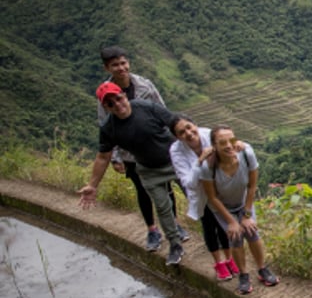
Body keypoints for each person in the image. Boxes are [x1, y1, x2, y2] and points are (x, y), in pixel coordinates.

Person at [79, 82, 186, 266]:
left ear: (124, 95)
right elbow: (103, 157)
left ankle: (223, 233)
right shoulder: (109, 128)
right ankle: (175, 244)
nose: (118, 105)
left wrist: (201, 148)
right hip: (148, 169)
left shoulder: (148, 108)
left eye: (119, 98)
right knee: (162, 207)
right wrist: (92, 185)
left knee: (198, 196)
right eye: (111, 104)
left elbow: (176, 124)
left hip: (175, 162)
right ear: (105, 107)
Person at [96, 46, 182, 250]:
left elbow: (162, 111)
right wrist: (116, 157)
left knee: (167, 188)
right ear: (107, 68)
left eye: (123, 63)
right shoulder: (104, 96)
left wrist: (171, 142)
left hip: (156, 146)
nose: (121, 68)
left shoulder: (144, 85)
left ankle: (176, 226)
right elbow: (105, 126)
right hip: (129, 151)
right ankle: (152, 230)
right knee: (142, 190)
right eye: (115, 65)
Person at [199, 125, 279, 295]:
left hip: (244, 202)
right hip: (222, 207)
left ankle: (262, 269)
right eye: (222, 142)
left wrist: (247, 215)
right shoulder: (208, 167)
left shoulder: (246, 154)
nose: (229, 145)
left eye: (232, 140)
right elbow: (212, 198)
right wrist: (231, 221)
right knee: (235, 237)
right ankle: (243, 274)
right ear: (214, 145)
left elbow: (252, 186)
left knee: (251, 232)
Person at [170, 115, 239, 281]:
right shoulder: (176, 151)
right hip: (201, 194)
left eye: (189, 127)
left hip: (219, 189)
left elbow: (231, 154)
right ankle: (219, 263)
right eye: (182, 132)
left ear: (195, 124)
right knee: (209, 226)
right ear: (177, 136)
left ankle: (229, 258)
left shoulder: (210, 135)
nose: (188, 133)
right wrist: (200, 161)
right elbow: (188, 182)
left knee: (223, 225)